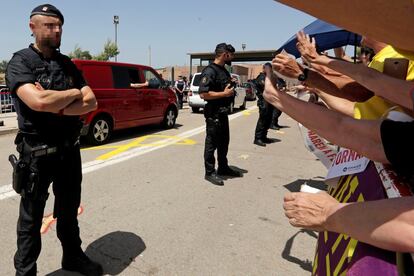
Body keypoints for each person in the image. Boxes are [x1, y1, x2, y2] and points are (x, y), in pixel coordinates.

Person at [6, 4, 102, 275]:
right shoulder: (20, 62)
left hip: (69, 150)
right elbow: (36, 101)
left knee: (68, 211)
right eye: (49, 25)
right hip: (37, 153)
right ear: (32, 27)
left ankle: (72, 257)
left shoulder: (67, 63)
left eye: (59, 25)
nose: (57, 30)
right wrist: (72, 95)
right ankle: (25, 272)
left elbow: (91, 100)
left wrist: (56, 101)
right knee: (31, 219)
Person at [199, 43, 242, 186]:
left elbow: (225, 88)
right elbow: (203, 94)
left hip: (223, 113)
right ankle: (209, 172)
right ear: (225, 55)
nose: (233, 58)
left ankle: (223, 167)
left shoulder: (224, 70)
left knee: (224, 143)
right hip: (214, 114)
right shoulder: (210, 71)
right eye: (231, 55)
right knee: (212, 144)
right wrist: (224, 93)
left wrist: (231, 85)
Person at [252, 63, 275, 146]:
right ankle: (257, 138)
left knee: (268, 120)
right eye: (268, 68)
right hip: (263, 102)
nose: (270, 70)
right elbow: (267, 87)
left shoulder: (268, 77)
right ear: (264, 68)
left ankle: (264, 137)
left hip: (269, 102)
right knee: (262, 121)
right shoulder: (261, 77)